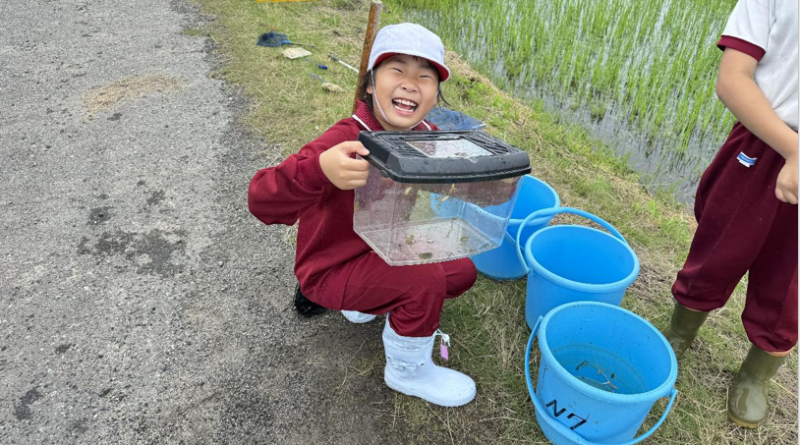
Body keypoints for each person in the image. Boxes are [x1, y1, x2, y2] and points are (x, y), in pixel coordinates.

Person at [248, 23, 478, 408]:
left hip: (385, 245)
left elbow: (446, 181)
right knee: (423, 280)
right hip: (331, 268)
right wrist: (320, 170)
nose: (410, 84)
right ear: (370, 84)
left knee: (462, 272)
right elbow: (260, 198)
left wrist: (469, 178)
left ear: (435, 95)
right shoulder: (345, 140)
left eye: (425, 77)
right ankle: (408, 371)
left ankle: (375, 301)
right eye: (397, 70)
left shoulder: (426, 136)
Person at [662, 0, 798, 429]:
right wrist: (794, 151)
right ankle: (678, 335)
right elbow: (733, 77)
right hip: (764, 139)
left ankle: (755, 376)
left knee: (790, 287)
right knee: (716, 252)